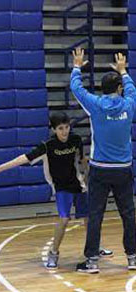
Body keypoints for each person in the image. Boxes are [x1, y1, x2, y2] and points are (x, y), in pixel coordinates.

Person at [0, 112, 113, 269]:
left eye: (66, 127)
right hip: (61, 187)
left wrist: (87, 175)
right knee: (64, 220)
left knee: (88, 218)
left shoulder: (75, 140)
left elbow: (81, 159)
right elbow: (24, 158)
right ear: (53, 129)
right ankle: (53, 253)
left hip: (78, 185)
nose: (64, 131)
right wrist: (0, 168)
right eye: (60, 128)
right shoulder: (47, 146)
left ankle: (95, 248)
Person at [70, 48, 136, 273]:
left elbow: (76, 88)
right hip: (124, 169)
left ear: (102, 89)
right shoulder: (128, 105)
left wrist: (77, 66)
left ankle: (92, 262)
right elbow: (132, 90)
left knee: (96, 214)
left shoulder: (96, 105)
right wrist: (124, 70)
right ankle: (132, 258)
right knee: (128, 214)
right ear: (119, 88)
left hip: (100, 169)